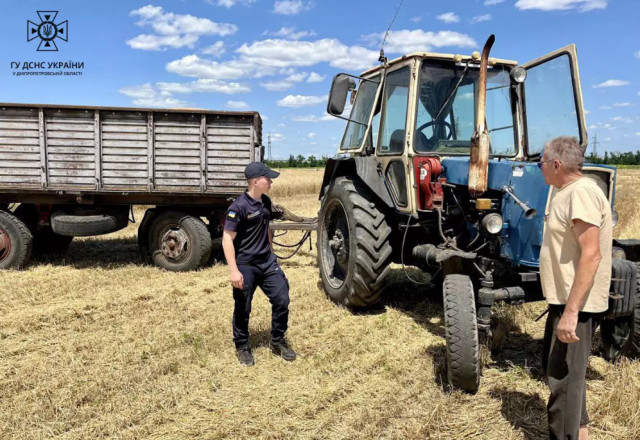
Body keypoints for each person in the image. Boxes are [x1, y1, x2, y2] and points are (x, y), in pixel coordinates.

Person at [539, 136, 612, 440]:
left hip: (576, 306)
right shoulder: (567, 191)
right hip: (566, 302)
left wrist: (571, 313)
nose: (540, 167)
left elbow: (591, 253)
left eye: (542, 161)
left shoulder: (580, 193)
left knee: (564, 383)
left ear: (557, 164)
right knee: (568, 379)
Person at [222, 162, 296, 366]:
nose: (271, 181)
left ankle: (278, 340)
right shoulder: (238, 207)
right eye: (267, 178)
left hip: (267, 262)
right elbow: (227, 238)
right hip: (246, 264)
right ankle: (242, 346)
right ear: (256, 181)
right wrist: (234, 271)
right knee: (243, 306)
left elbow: (267, 228)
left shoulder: (265, 201)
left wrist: (271, 253)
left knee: (282, 299)